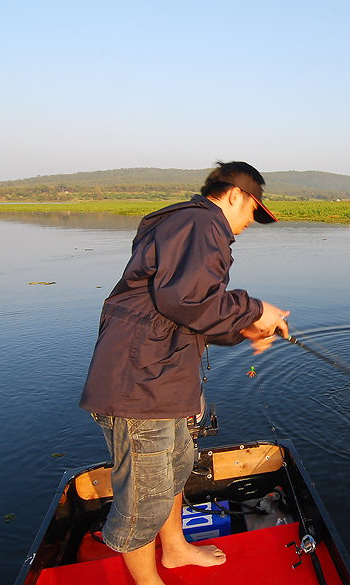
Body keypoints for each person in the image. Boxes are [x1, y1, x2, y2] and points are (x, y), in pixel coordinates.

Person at [79, 161, 289, 585]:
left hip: (161, 378)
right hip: (139, 386)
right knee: (145, 499)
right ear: (234, 195)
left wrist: (246, 327)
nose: (251, 222)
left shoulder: (192, 225)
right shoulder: (200, 223)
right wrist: (256, 308)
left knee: (177, 467)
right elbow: (188, 300)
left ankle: (174, 551)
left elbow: (189, 311)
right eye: (253, 210)